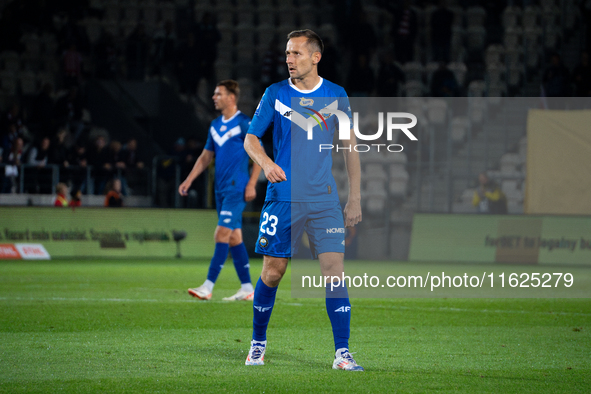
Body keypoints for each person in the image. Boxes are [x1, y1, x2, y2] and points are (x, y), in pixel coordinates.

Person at [243, 30, 363, 371]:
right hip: (283, 198)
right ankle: (257, 344)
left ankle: (342, 352)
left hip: (324, 200)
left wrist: (354, 198)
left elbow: (350, 148)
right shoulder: (276, 94)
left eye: (295, 53)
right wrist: (266, 163)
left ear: (315, 57)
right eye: (287, 53)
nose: (288, 59)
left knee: (333, 271)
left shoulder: (336, 95)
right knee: (273, 271)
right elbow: (251, 139)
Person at [179, 80, 261, 302]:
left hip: (237, 187)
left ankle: (207, 286)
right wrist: (189, 179)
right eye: (214, 93)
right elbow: (206, 156)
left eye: (218, 94)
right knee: (234, 237)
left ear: (231, 98)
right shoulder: (214, 125)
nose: (214, 97)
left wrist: (252, 183)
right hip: (220, 189)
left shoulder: (245, 123)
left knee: (221, 233)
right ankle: (247, 288)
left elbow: (259, 155)